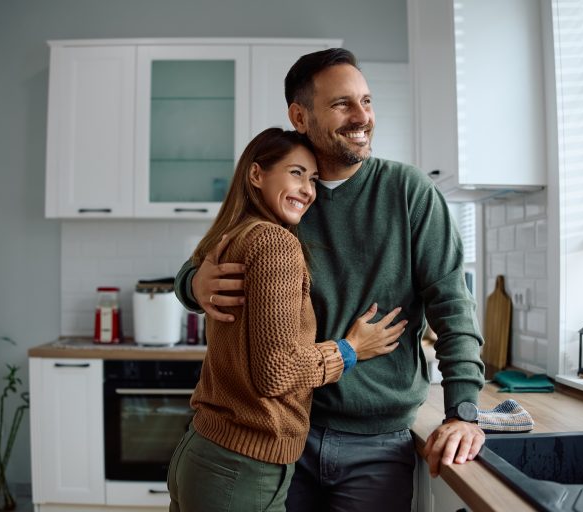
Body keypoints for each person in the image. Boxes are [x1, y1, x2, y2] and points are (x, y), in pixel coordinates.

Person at [174, 49, 486, 511]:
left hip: (378, 444)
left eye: (366, 101)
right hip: (286, 436)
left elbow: (452, 304)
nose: (362, 116)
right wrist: (194, 285)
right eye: (342, 104)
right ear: (300, 116)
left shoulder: (408, 191)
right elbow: (206, 260)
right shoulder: (286, 199)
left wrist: (463, 411)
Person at [167, 127, 407, 512]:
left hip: (205, 453)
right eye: (296, 173)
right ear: (257, 174)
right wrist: (350, 349)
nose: (308, 190)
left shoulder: (230, 236)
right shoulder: (275, 243)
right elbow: (275, 372)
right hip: (241, 467)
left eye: (312, 179)